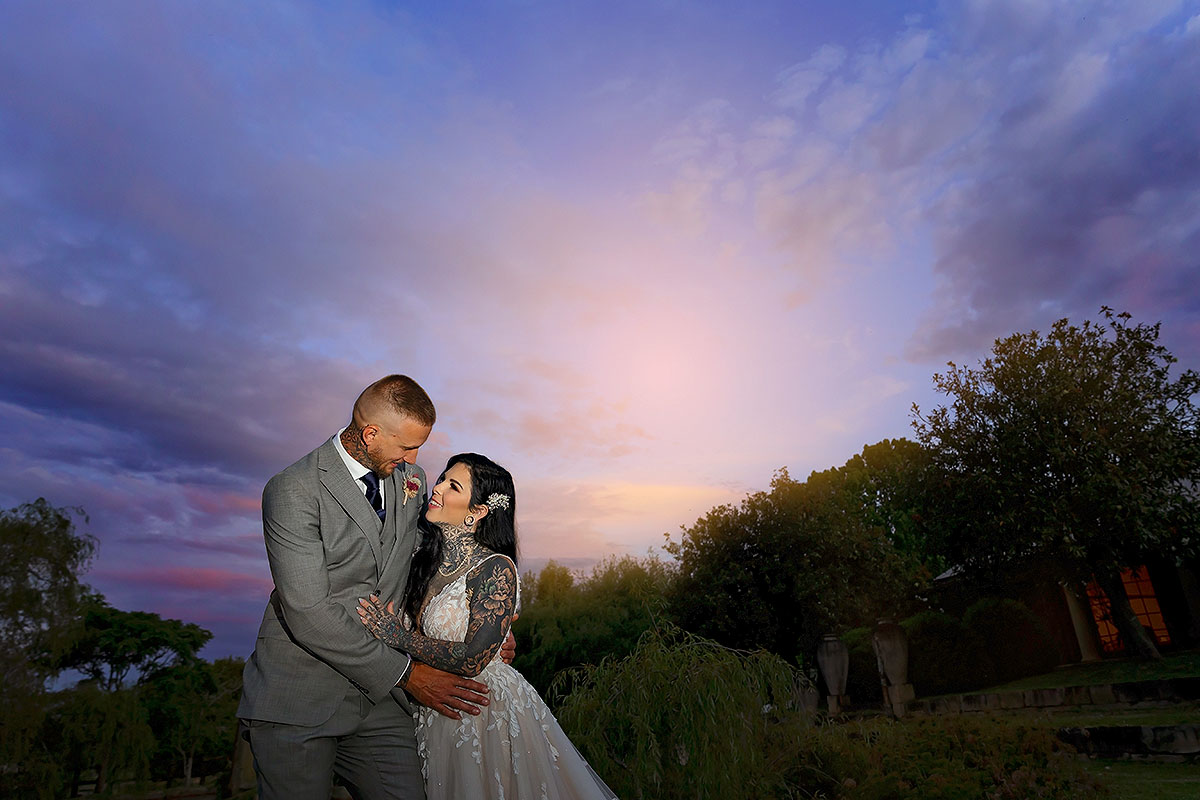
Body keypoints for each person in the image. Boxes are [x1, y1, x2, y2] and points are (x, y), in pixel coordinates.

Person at [237, 375, 513, 800]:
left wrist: (486, 625)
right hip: (300, 698)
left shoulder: (412, 480)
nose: (415, 458)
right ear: (370, 434)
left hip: (379, 704)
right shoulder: (293, 489)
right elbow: (308, 612)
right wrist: (408, 674)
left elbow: (434, 564)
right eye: (406, 446)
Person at [357, 453, 618, 800]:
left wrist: (398, 636)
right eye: (441, 480)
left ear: (477, 512)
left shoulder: (496, 568)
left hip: (480, 712)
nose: (437, 489)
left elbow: (472, 659)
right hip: (427, 710)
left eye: (454, 486)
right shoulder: (420, 561)